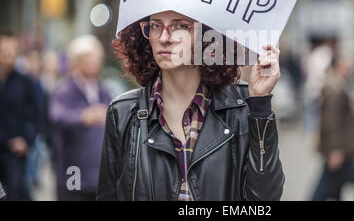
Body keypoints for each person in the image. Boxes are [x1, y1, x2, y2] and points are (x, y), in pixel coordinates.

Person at [97, 10, 285, 201]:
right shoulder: (123, 114)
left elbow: (264, 199)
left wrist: (260, 105)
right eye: (155, 25)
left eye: (180, 26)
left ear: (207, 34)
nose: (164, 37)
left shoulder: (243, 105)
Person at [50, 35, 111, 201]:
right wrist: (84, 116)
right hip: (73, 171)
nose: (95, 61)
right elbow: (57, 117)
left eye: (98, 57)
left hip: (99, 175)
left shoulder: (103, 90)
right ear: (75, 61)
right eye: (89, 57)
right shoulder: (64, 90)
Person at [311, 54, 354, 201]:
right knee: (323, 191)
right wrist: (335, 149)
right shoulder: (333, 88)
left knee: (335, 188)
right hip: (340, 149)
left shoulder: (339, 85)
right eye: (347, 65)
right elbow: (331, 122)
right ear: (338, 66)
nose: (350, 69)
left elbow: (350, 119)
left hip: (344, 148)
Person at [0, 29, 43, 200]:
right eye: (4, 52)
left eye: (12, 52)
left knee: (14, 193)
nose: (8, 56)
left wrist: (28, 140)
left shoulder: (26, 82)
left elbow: (39, 115)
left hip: (14, 152)